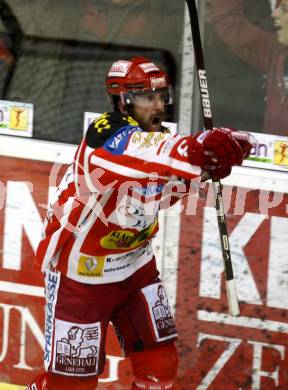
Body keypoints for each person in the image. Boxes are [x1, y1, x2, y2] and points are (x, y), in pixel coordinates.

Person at [26, 56, 253, 390]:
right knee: (70, 385)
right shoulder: (105, 134)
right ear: (123, 100)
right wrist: (197, 150)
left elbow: (168, 177)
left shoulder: (158, 140)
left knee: (160, 367)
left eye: (163, 97)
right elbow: (150, 153)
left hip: (136, 269)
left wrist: (220, 154)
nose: (159, 106)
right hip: (82, 276)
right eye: (148, 97)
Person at [209, 0, 288, 135]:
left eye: (285, 9)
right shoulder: (273, 51)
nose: (274, 14)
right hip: (276, 154)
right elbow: (229, 23)